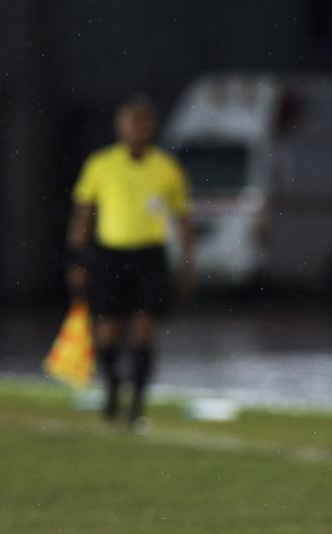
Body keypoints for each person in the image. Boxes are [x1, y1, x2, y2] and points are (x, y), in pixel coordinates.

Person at [66, 96, 194, 429]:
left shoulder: (166, 167)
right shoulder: (101, 164)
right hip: (110, 254)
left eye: (142, 122)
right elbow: (83, 214)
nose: (136, 128)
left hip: (149, 256)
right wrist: (77, 258)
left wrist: (187, 265)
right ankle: (112, 384)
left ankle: (136, 405)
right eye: (130, 121)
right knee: (105, 334)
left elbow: (183, 220)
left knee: (142, 332)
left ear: (152, 127)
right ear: (119, 126)